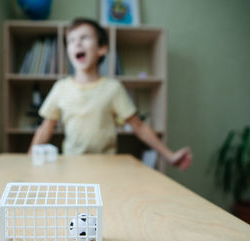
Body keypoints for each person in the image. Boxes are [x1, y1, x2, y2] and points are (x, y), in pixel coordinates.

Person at [28, 18, 192, 170]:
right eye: (71, 40)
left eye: (84, 37)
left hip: (107, 165)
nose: (77, 43)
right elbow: (45, 129)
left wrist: (170, 156)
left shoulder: (113, 88)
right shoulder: (60, 88)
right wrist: (28, 160)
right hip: (72, 165)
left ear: (102, 49)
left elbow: (139, 126)